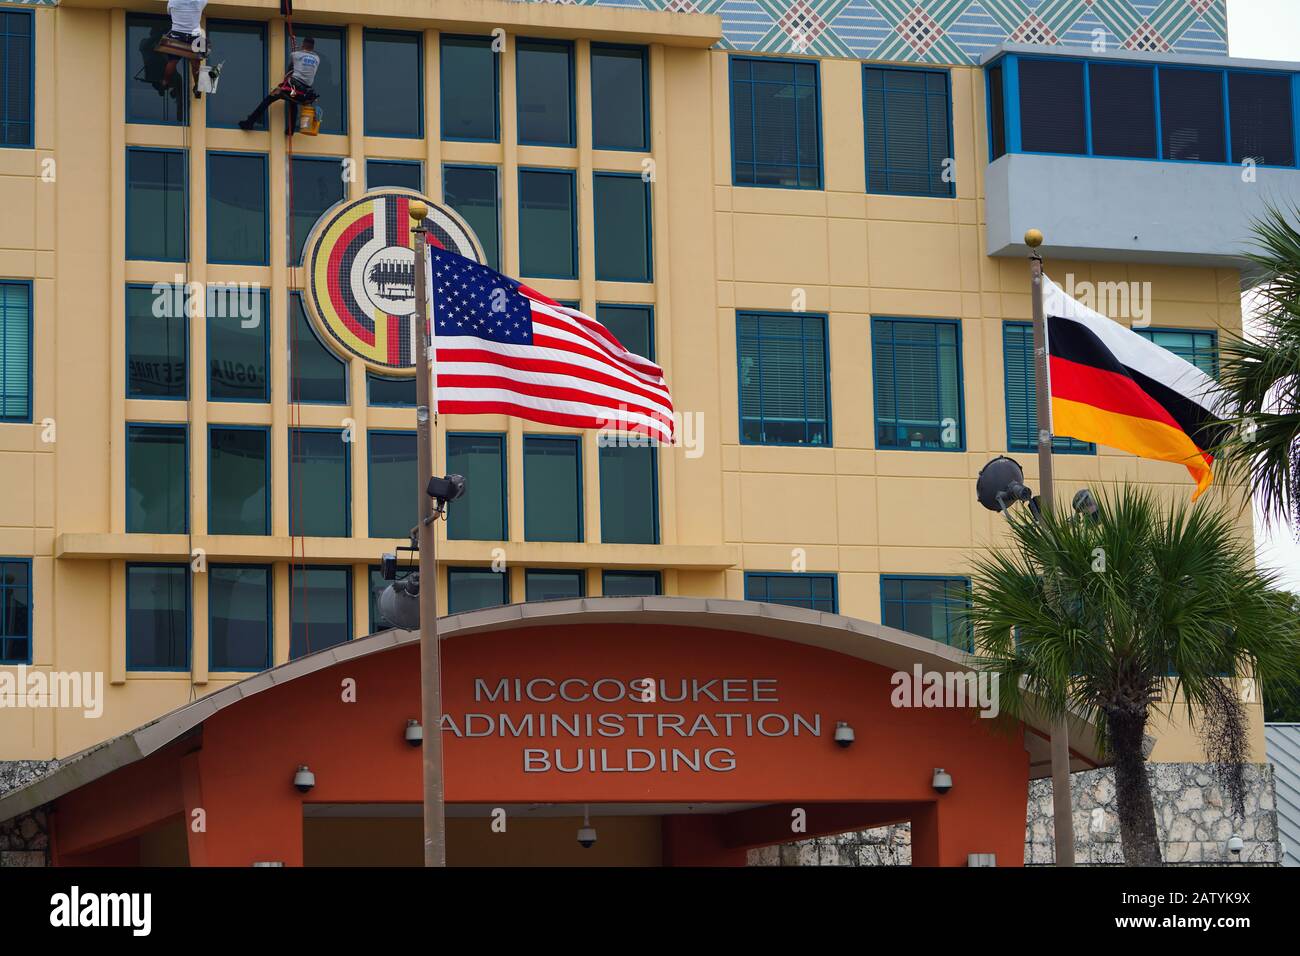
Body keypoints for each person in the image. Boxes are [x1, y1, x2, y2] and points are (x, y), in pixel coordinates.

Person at [240, 38, 320, 133]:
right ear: (313, 47)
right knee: (293, 100)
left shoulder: (296, 55)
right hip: (304, 93)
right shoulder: (317, 59)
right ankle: (291, 129)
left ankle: (250, 122)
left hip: (293, 86)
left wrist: (296, 48)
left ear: (303, 45)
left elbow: (292, 65)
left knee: (270, 98)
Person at [160, 0, 208, 97]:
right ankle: (198, 86)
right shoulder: (200, 1)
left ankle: (165, 82)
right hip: (196, 35)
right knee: (196, 63)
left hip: (176, 34)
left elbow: (169, 12)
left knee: (172, 61)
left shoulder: (173, 2)